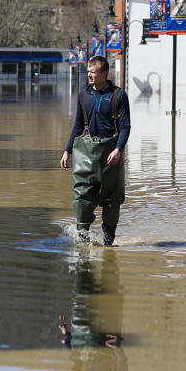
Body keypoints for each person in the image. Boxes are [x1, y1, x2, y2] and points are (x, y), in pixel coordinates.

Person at [60, 55, 131, 245]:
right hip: (86, 152)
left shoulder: (118, 95)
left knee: (112, 203)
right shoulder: (84, 95)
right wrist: (68, 151)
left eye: (93, 72)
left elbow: (125, 126)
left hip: (110, 154)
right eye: (88, 71)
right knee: (82, 198)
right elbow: (77, 126)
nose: (89, 75)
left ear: (104, 73)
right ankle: (83, 243)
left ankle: (108, 244)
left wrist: (118, 149)